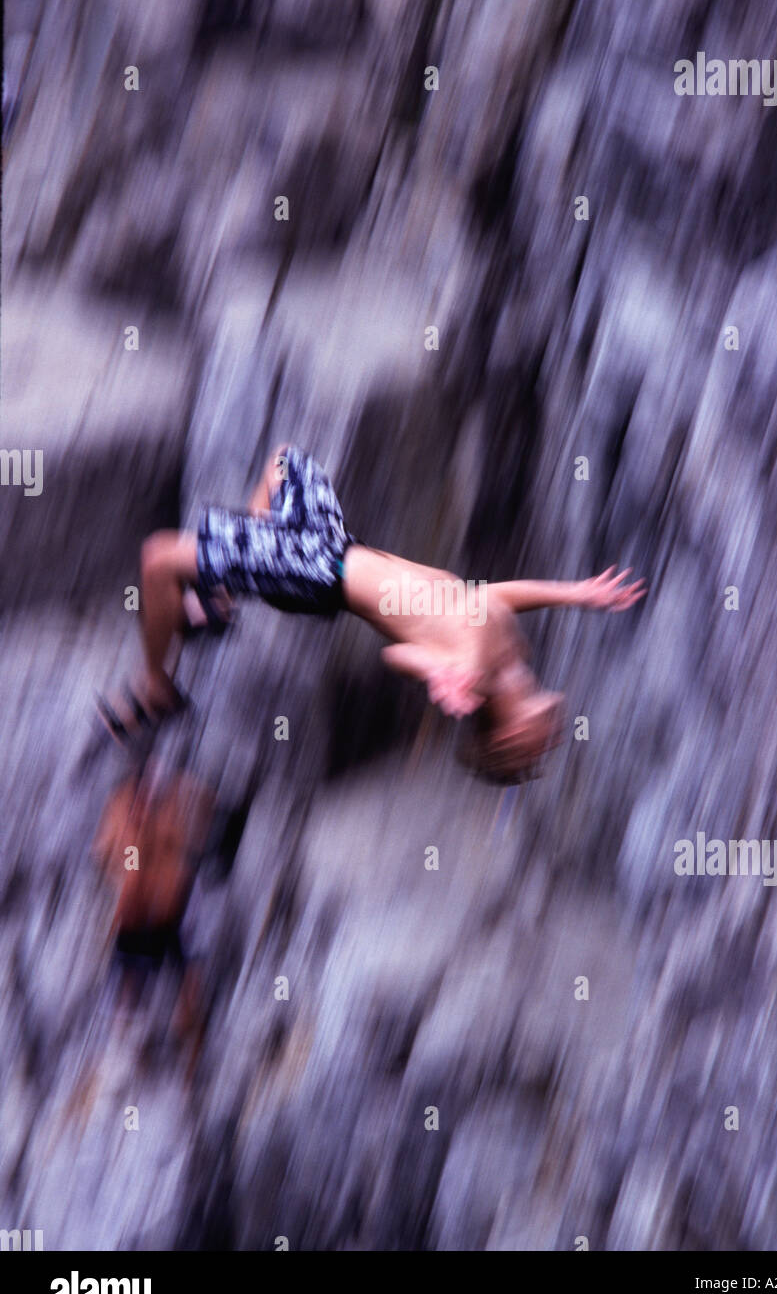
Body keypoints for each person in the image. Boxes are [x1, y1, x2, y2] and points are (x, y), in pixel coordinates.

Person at [98, 445, 645, 782]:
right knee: (285, 461)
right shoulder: (508, 655)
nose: (553, 736)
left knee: (158, 559)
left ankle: (155, 686)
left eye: (537, 746)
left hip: (314, 573)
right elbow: (496, 597)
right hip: (335, 544)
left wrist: (437, 672)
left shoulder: (472, 678)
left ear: (506, 736)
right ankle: (224, 590)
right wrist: (576, 593)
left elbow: (397, 651)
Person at [92, 763, 214, 1055]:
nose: (145, 806)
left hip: (171, 905)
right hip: (136, 910)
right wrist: (121, 874)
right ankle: (125, 1035)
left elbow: (195, 834)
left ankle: (188, 1031)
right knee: (130, 971)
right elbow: (103, 853)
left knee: (185, 965)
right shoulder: (120, 809)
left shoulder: (173, 807)